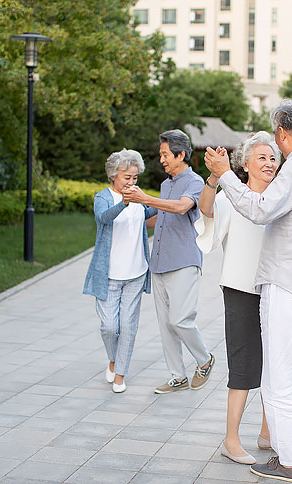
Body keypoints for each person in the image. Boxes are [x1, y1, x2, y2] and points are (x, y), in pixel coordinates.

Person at [204, 99, 292, 483]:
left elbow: (261, 209)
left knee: (278, 375)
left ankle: (286, 461)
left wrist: (224, 174)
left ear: (282, 133)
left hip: (285, 284)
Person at [196, 132, 282, 465]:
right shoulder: (233, 197)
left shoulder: (278, 198)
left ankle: (268, 434)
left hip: (273, 291)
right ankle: (231, 440)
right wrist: (215, 178)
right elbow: (206, 209)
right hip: (240, 291)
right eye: (261, 157)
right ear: (245, 164)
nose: (269, 163)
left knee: (275, 365)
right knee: (244, 367)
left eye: (273, 158)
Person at [123, 129, 215, 394]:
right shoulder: (166, 184)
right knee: (165, 324)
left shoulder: (194, 182)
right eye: (160, 154)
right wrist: (133, 207)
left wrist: (145, 198)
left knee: (180, 319)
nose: (161, 159)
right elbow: (158, 215)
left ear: (181, 154)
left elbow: (181, 207)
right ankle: (177, 376)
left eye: (165, 154)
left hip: (184, 260)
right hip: (160, 262)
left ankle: (205, 359)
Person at [82, 149, 157, 394]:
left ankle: (120, 373)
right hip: (109, 275)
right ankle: (112, 360)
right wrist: (125, 203)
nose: (132, 183)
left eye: (135, 178)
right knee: (108, 327)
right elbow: (103, 218)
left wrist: (162, 200)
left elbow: (153, 212)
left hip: (136, 272)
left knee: (127, 325)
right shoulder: (103, 197)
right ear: (114, 175)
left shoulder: (139, 198)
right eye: (127, 178)